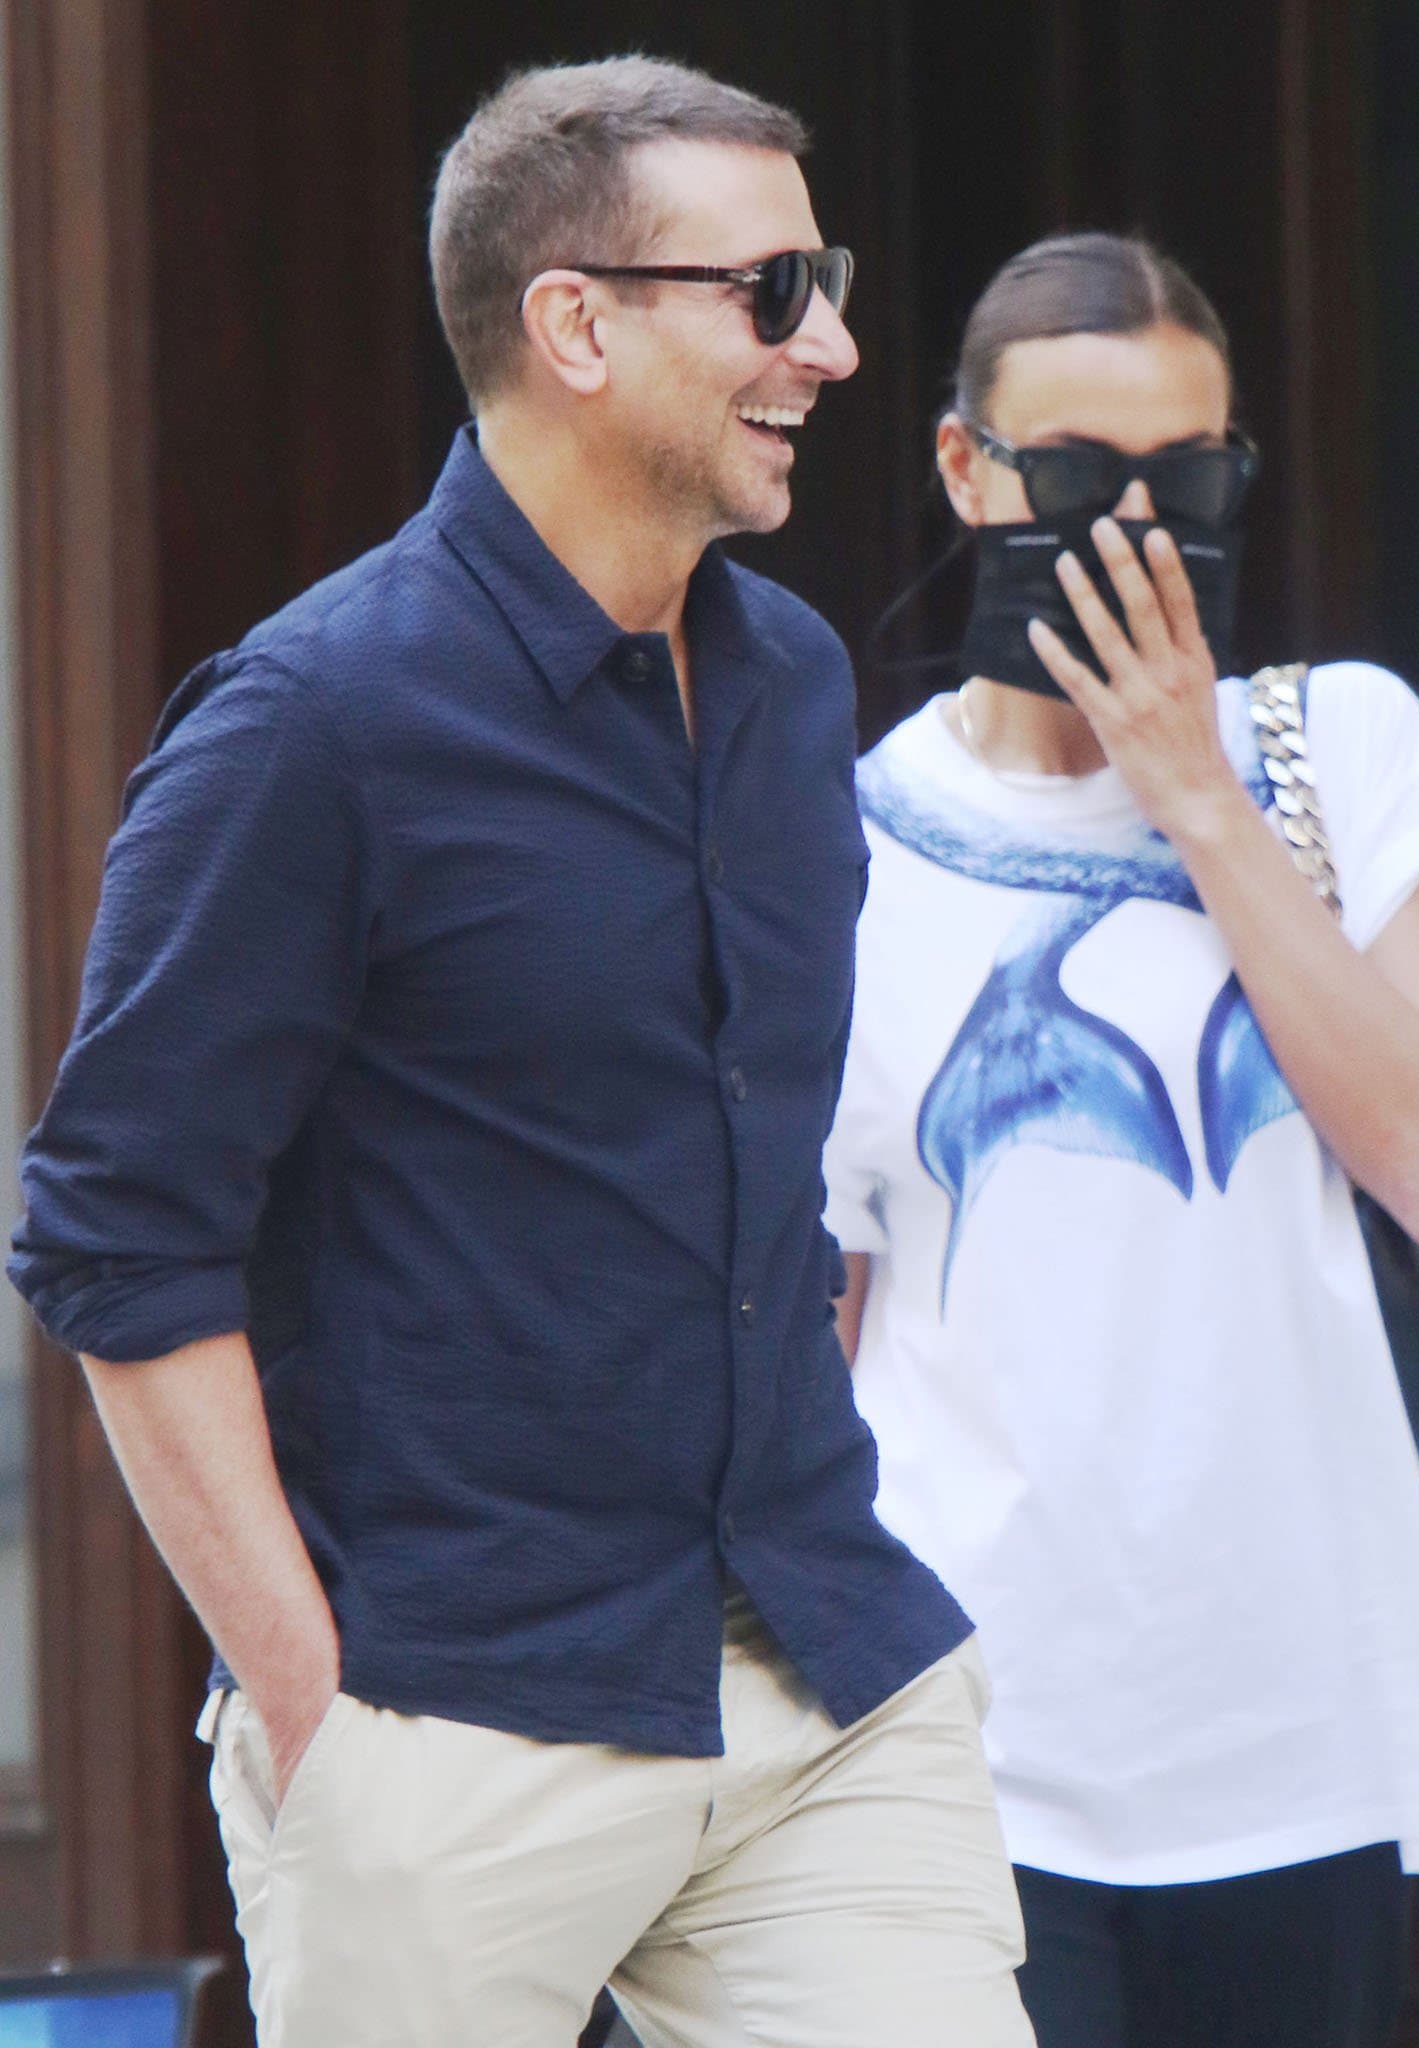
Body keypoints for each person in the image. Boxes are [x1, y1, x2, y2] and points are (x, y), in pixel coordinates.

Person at [9, 59, 1033, 2048]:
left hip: (819, 1668)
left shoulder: (790, 681)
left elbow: (753, 1162)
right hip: (446, 1712)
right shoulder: (309, 725)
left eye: (825, 283)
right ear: (574, 324)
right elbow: (116, 1234)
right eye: (772, 290)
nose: (829, 346)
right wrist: (313, 1710)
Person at [825, 232, 1419, 2048]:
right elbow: (821, 1317)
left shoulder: (1338, 749)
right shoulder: (844, 846)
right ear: (965, 468)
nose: (1132, 529)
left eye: (1185, 481)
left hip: (1295, 1720)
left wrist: (1199, 799)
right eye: (1072, 476)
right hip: (966, 1730)